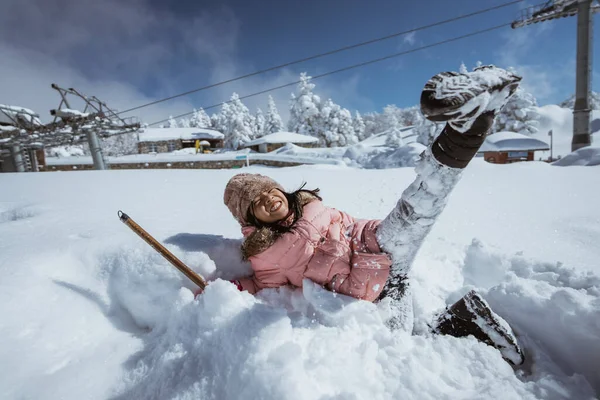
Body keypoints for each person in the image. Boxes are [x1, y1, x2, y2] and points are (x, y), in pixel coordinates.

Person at [209, 66, 525, 365]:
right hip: (372, 289)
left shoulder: (311, 205)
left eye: (268, 190)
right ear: (252, 220)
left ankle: (467, 126)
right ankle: (464, 318)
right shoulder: (265, 255)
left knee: (421, 204)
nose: (268, 199)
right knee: (405, 344)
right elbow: (262, 286)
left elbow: (349, 226)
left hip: (378, 244)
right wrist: (227, 291)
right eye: (257, 203)